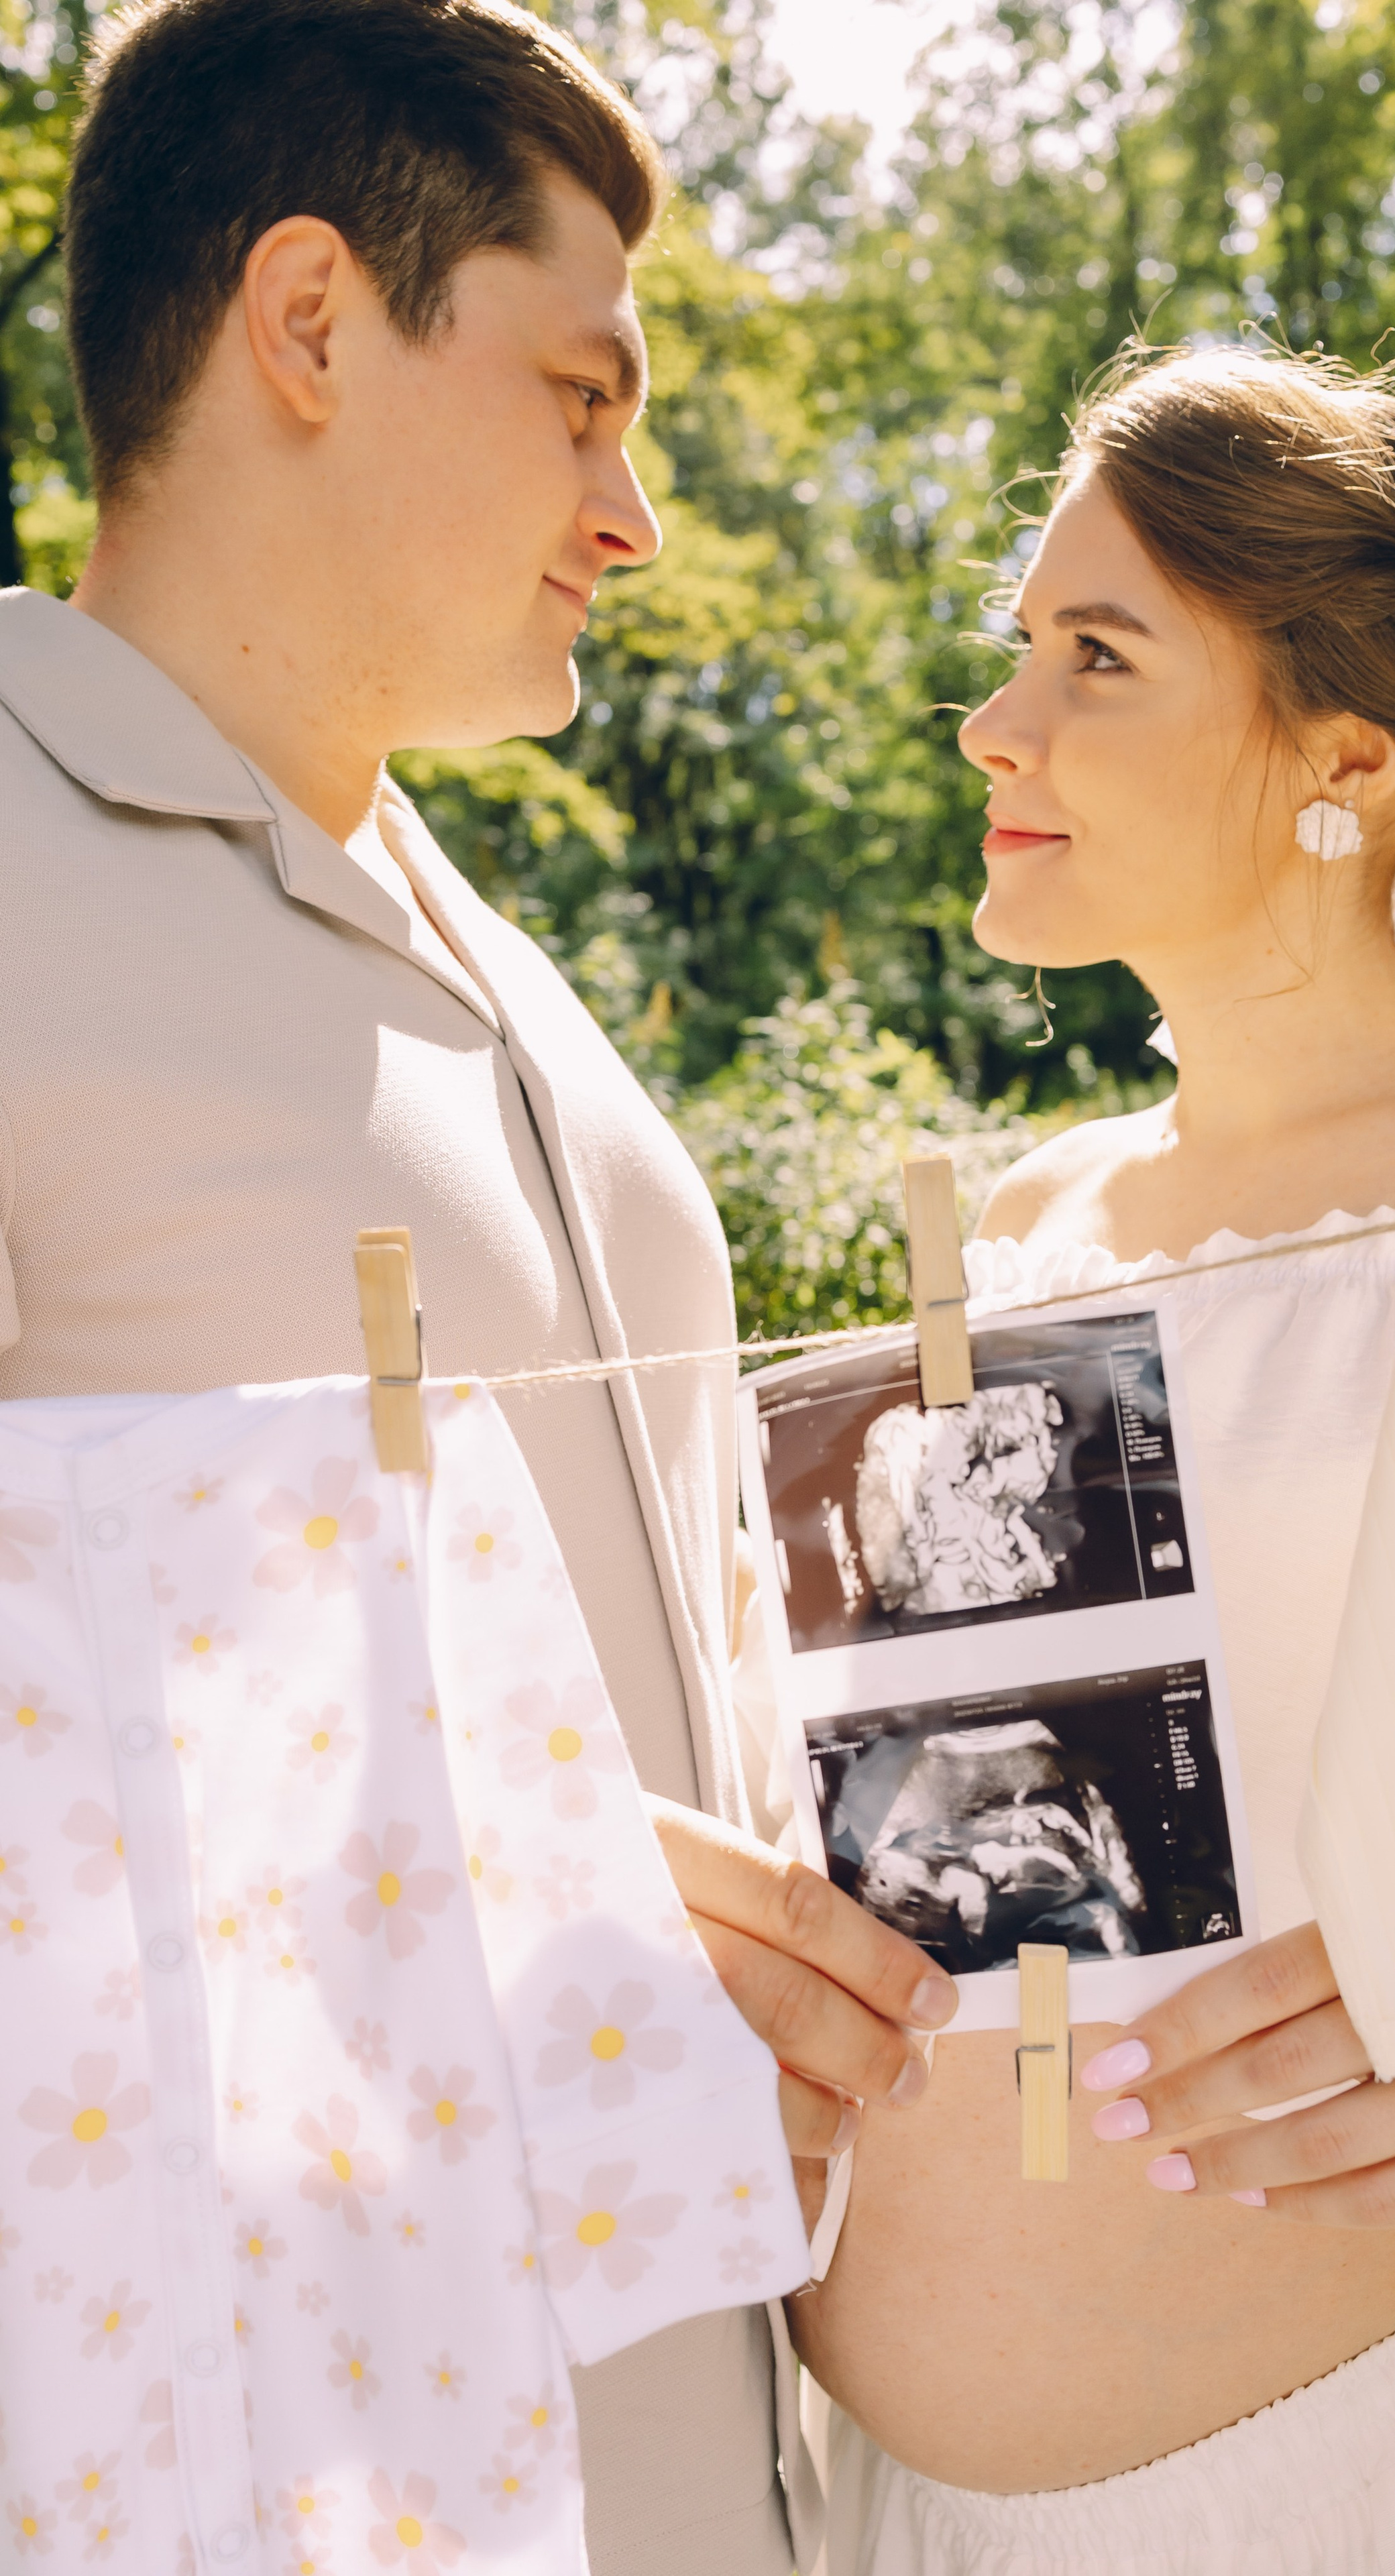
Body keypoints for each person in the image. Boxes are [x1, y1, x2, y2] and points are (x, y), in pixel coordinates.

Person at [0, 3, 954, 2569]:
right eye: (582, 397)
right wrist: (480, 1869)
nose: (632, 514)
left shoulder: (515, 978)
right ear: (311, 321)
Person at [782, 345, 1395, 2574]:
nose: (996, 723)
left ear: (1349, 763)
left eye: (1097, 656)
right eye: (1021, 647)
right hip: (910, 2522)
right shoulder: (1021, 1223)